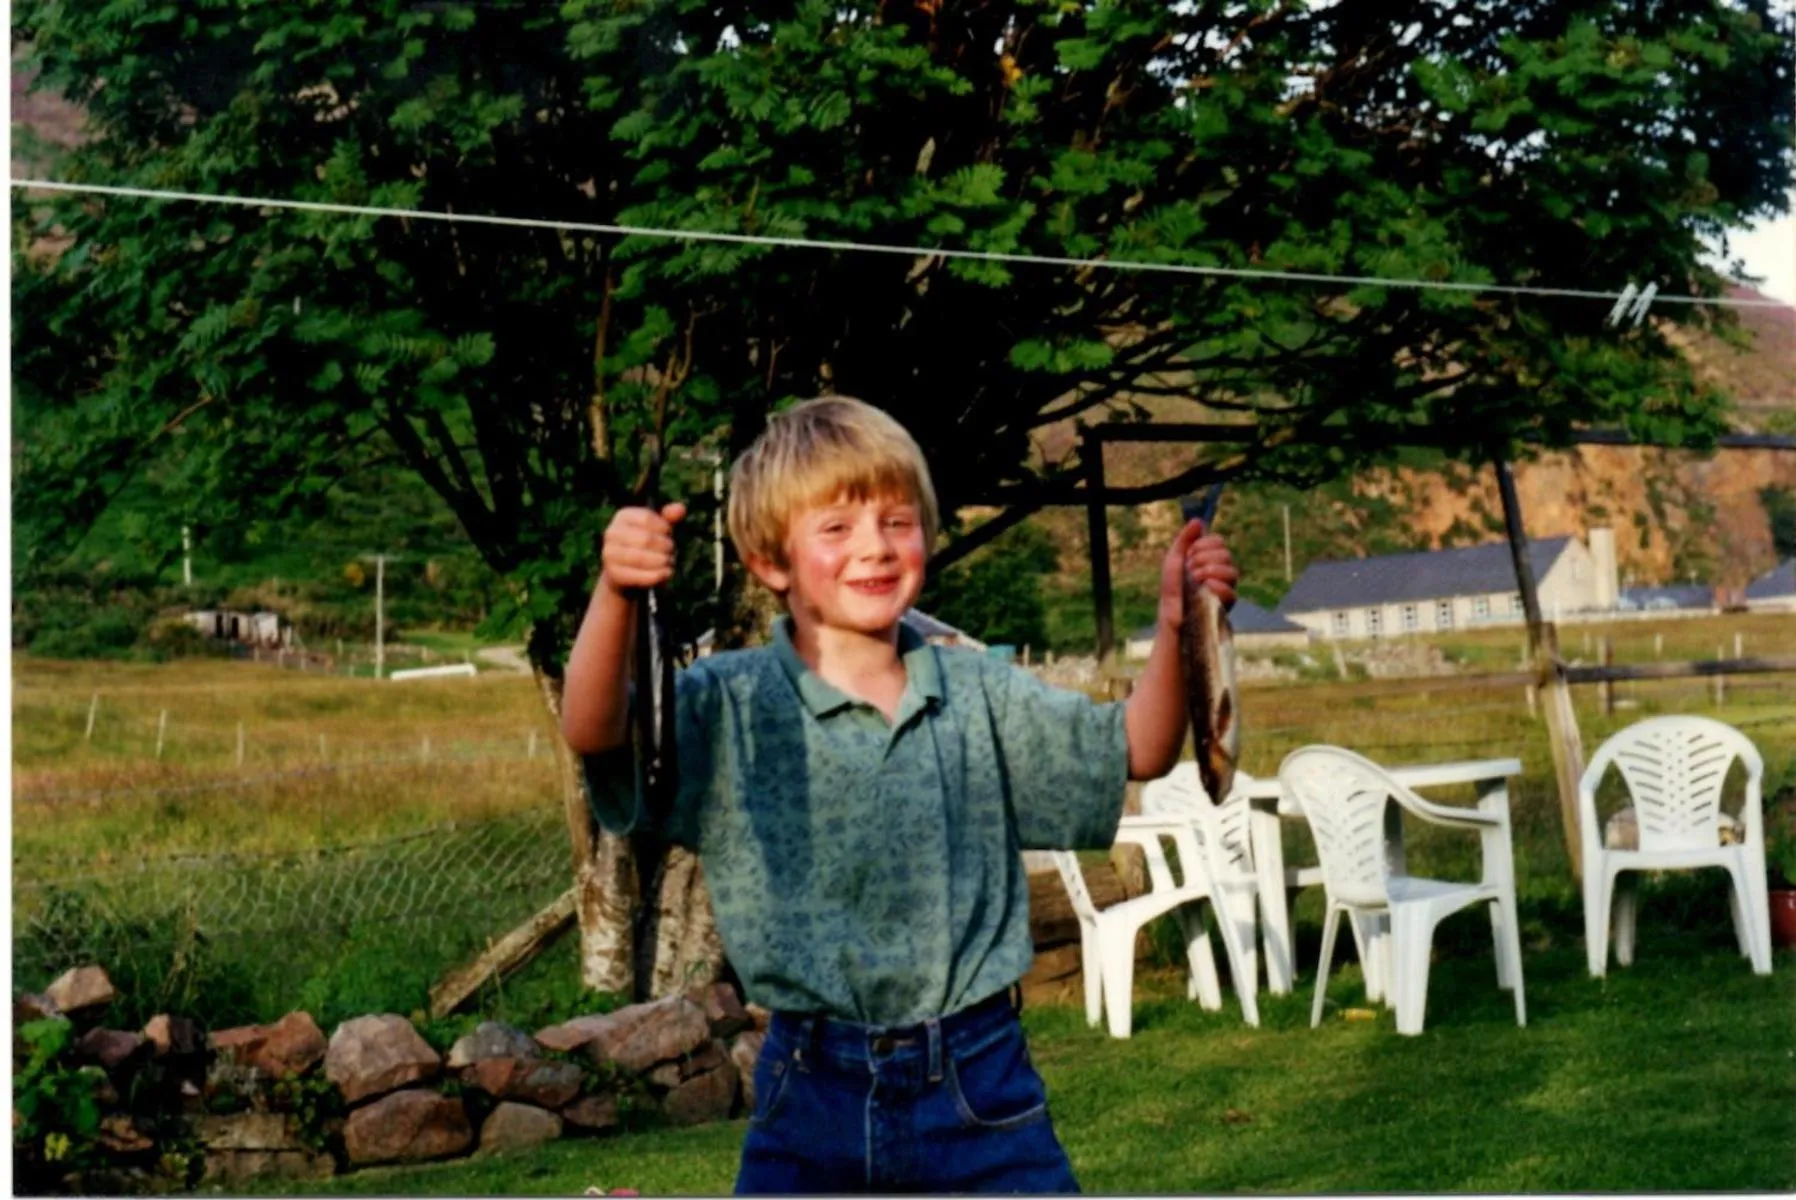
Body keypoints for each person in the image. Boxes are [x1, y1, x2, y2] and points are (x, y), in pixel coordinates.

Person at [561, 396, 1239, 1194]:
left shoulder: (981, 692)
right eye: (837, 529)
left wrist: (1175, 620)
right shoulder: (725, 705)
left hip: (982, 1085)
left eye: (896, 520)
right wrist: (617, 592)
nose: (875, 549)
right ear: (769, 561)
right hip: (808, 1092)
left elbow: (1139, 746)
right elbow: (596, 730)